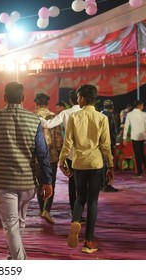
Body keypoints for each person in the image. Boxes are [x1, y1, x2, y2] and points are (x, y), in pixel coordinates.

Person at [0, 82, 52, 260]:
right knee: (19, 222)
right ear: (24, 98)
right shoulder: (34, 120)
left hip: (4, 181)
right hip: (27, 182)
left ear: (4, 97)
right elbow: (42, 153)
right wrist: (47, 180)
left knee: (10, 224)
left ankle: (19, 261)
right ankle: (13, 255)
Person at [59, 84, 114, 254]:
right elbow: (106, 145)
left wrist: (62, 161)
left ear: (82, 98)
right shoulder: (102, 118)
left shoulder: (74, 117)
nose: (77, 100)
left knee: (80, 197)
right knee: (93, 200)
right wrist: (110, 165)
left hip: (79, 163)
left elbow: (67, 143)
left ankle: (76, 220)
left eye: (78, 97)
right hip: (95, 163)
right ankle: (88, 241)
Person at [40, 90, 81, 215]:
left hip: (71, 153)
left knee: (72, 182)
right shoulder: (94, 114)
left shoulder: (66, 113)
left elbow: (48, 124)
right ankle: (83, 212)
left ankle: (74, 210)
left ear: (70, 101)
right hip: (89, 154)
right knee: (87, 185)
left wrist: (37, 117)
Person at [33, 93, 62, 224]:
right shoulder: (53, 117)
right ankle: (46, 210)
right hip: (51, 156)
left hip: (36, 156)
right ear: (47, 103)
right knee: (50, 182)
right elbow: (58, 139)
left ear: (36, 103)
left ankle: (40, 209)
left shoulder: (31, 117)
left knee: (39, 183)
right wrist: (61, 153)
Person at [123, 100, 146, 178]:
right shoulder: (144, 114)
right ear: (139, 105)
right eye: (142, 105)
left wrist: (124, 138)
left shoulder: (129, 114)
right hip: (142, 136)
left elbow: (126, 126)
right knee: (141, 153)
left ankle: (139, 172)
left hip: (134, 136)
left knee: (138, 154)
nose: (143, 107)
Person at [101, 100, 119, 192]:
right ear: (112, 108)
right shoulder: (110, 116)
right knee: (107, 164)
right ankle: (106, 184)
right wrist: (114, 144)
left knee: (100, 164)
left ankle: (100, 184)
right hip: (107, 144)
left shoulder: (99, 114)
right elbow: (113, 131)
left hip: (98, 144)